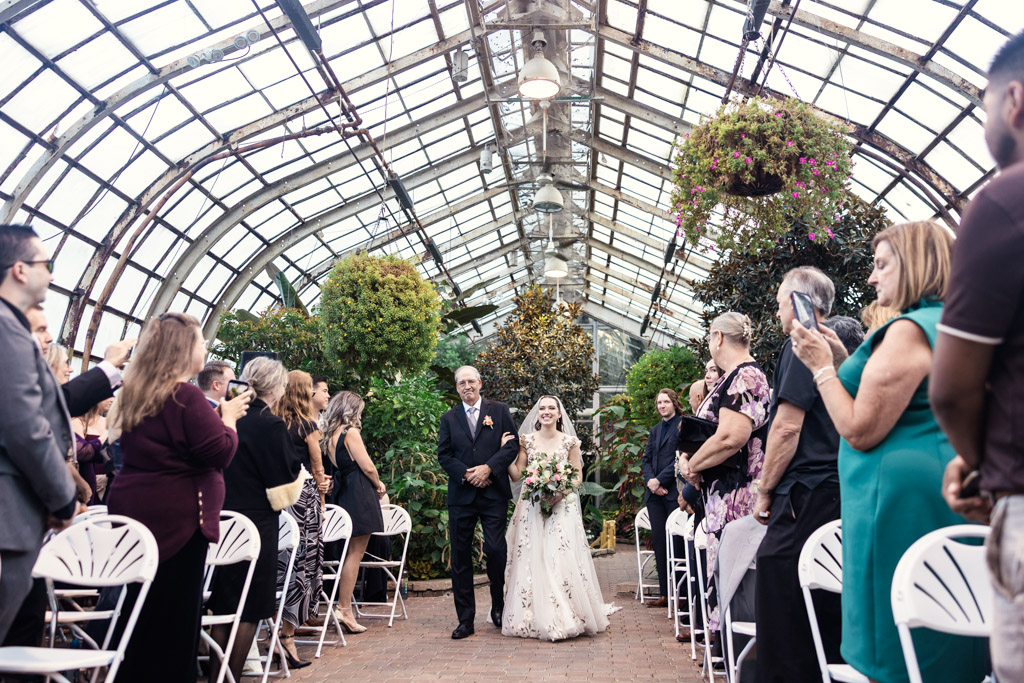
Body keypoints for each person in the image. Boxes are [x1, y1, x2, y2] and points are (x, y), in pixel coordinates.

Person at [789, 221, 989, 683]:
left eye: (882, 265)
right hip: (932, 485)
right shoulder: (950, 323)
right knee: (947, 631)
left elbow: (859, 428)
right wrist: (842, 361)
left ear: (917, 266)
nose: (872, 278)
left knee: (897, 649)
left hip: (895, 502)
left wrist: (820, 369)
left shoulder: (908, 330)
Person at [930, 30, 1024, 683]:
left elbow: (953, 390)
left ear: (1014, 101)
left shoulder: (1004, 201)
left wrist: (978, 461)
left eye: (985, 106)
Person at [103, 312, 248, 682]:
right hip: (180, 521)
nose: (204, 349)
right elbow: (218, 452)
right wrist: (228, 418)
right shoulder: (184, 395)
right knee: (177, 621)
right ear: (185, 350)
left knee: (140, 616)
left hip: (134, 515)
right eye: (201, 342)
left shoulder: (134, 393)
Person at [753, 267, 844, 683]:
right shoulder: (832, 345)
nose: (776, 315)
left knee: (783, 584)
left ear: (797, 301)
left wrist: (764, 489)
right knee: (822, 592)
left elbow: (787, 426)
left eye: (777, 304)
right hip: (831, 487)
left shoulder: (802, 344)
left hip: (804, 489)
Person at [0, 225, 83, 642]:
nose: (50, 274)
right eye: (44, 264)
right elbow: (25, 426)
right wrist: (63, 499)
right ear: (19, 270)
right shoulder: (5, 328)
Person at [208, 357, 306, 679]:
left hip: (223, 518)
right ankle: (231, 677)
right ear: (277, 387)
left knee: (224, 604)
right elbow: (283, 478)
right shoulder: (271, 425)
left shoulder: (229, 416)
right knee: (250, 607)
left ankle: (214, 677)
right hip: (257, 523)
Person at [677, 311, 770, 633]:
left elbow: (732, 436)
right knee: (724, 576)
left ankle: (739, 656)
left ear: (717, 337)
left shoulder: (745, 376)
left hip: (738, 498)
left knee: (737, 579)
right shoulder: (733, 377)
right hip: (721, 498)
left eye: (708, 338)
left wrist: (692, 464)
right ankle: (726, 651)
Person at [503, 395, 616, 640]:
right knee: (533, 558)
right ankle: (532, 615)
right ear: (537, 413)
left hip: (561, 508)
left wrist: (559, 490)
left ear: (559, 413)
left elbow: (576, 477)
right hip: (532, 509)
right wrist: (504, 455)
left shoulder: (570, 442)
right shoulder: (527, 441)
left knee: (559, 557)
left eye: (551, 408)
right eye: (542, 408)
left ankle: (565, 615)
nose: (546, 412)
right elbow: (517, 475)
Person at [436, 365, 520, 639]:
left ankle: (498, 605)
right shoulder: (449, 418)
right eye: (461, 383)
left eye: (471, 381)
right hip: (462, 496)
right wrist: (467, 475)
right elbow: (444, 455)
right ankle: (465, 620)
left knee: (496, 550)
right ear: (457, 387)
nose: (467, 386)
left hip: (493, 493)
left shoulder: (499, 411)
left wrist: (488, 469)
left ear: (480, 383)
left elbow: (512, 445)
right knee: (461, 558)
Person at [320, 390, 385, 634]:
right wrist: (378, 484)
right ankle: (344, 608)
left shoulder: (329, 434)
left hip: (344, 493)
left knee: (349, 552)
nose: (360, 416)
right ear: (351, 409)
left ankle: (343, 606)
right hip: (359, 492)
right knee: (356, 554)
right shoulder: (350, 432)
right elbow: (367, 466)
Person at [274, 370, 329, 648]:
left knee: (283, 559)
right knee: (304, 558)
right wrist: (321, 494)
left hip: (277, 496)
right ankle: (291, 626)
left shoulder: (274, 421)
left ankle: (279, 619)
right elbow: (317, 465)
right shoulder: (308, 425)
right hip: (302, 497)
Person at [641, 388, 685, 608]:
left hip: (673, 494)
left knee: (676, 543)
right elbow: (646, 459)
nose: (662, 406)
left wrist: (660, 480)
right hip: (655, 495)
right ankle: (665, 594)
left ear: (674, 404)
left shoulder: (682, 426)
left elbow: (680, 459)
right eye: (659, 402)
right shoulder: (655, 430)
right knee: (659, 542)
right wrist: (651, 482)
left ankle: (681, 596)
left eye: (666, 402)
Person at [72, 396, 114, 504]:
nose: (112, 400)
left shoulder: (108, 421)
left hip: (107, 482)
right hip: (85, 479)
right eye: (108, 396)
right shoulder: (77, 421)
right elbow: (81, 453)